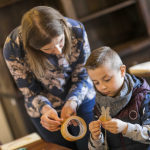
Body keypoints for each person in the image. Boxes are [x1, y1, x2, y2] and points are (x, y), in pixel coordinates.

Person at [3, 6, 96, 150]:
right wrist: (45, 109)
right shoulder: (13, 47)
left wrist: (72, 101)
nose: (58, 51)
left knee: (91, 146)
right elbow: (29, 91)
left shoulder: (76, 29)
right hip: (43, 109)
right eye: (48, 49)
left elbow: (83, 75)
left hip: (81, 98)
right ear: (32, 47)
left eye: (60, 41)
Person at [84, 46, 150, 150]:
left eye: (107, 79)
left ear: (122, 71)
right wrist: (95, 138)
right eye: (96, 83)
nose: (102, 87)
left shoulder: (144, 97)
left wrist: (126, 128)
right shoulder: (99, 107)